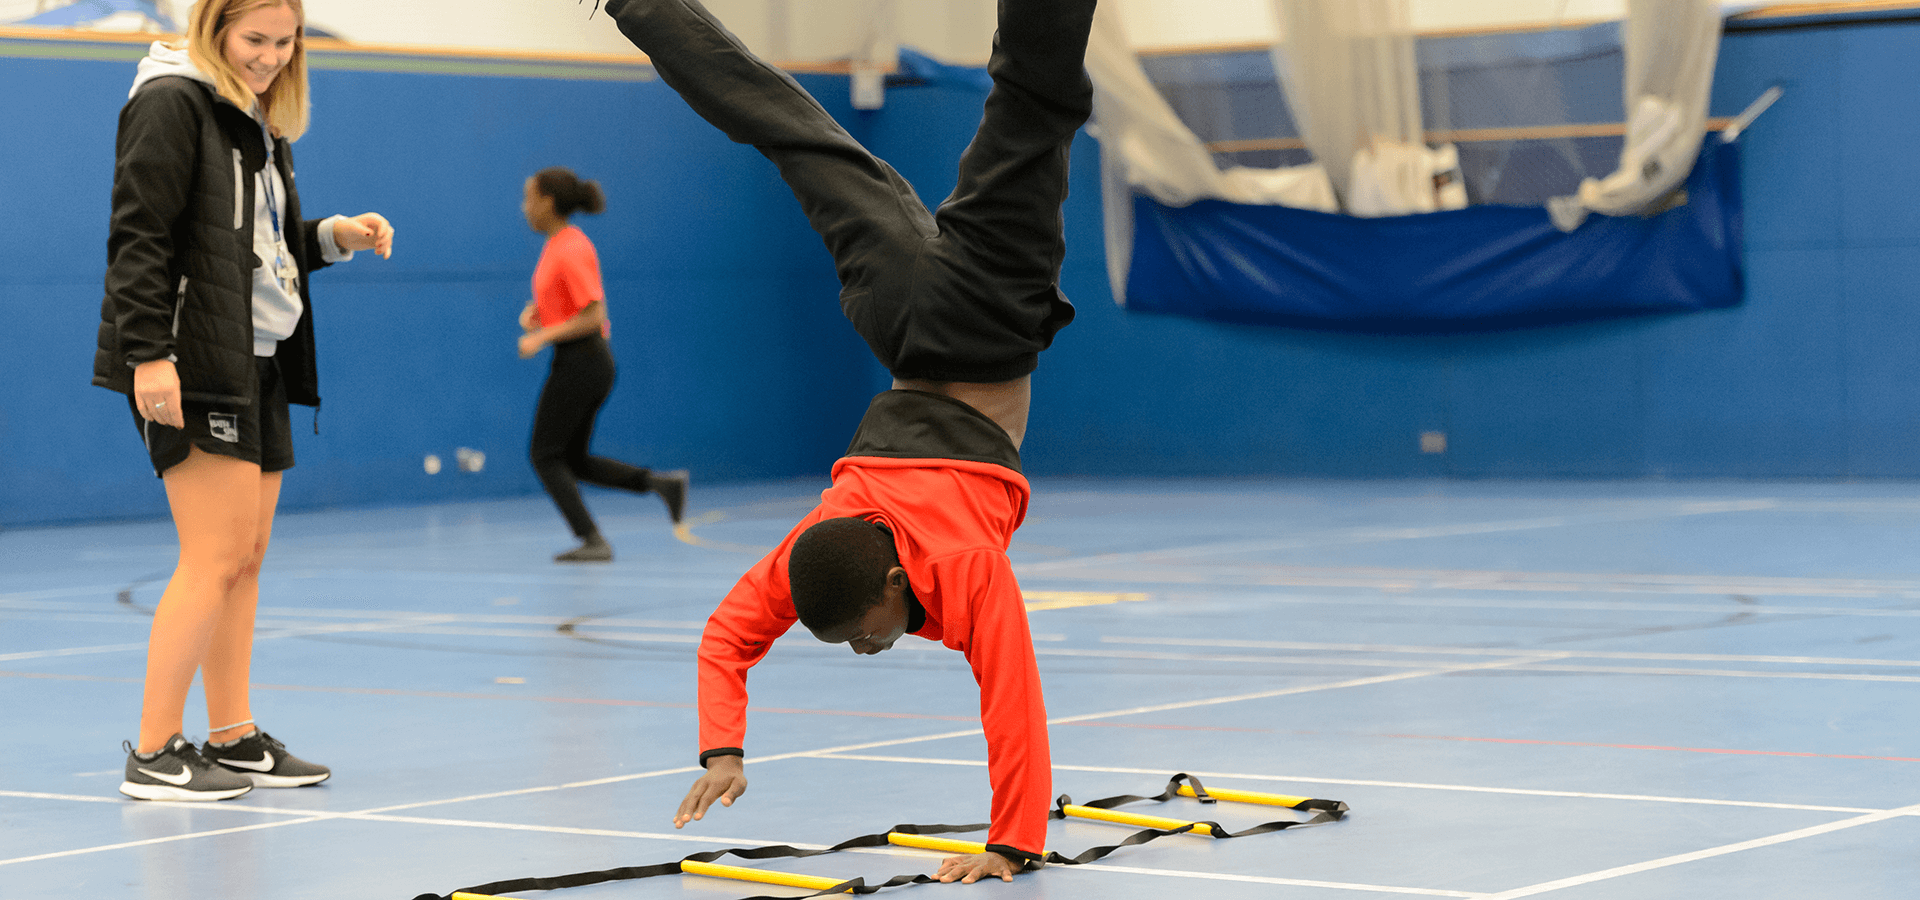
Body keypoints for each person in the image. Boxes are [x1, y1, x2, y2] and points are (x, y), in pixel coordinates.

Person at [600, 0, 1095, 884]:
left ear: (896, 579)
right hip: (897, 317)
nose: (868, 649)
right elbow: (727, 635)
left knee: (1034, 95)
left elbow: (1011, 701)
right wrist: (722, 749)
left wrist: (1012, 842)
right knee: (788, 129)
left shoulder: (961, 568)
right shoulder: (817, 549)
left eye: (864, 636)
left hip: (986, 315)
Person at [94, 0, 395, 801]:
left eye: (283, 41)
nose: (268, 56)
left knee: (246, 558)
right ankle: (154, 751)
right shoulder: (171, 101)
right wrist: (148, 355)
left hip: (255, 354)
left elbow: (243, 248)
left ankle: (231, 736)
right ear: (215, 29)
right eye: (253, 39)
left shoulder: (251, 117)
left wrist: (330, 235)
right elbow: (141, 238)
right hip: (191, 360)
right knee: (214, 555)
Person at [517, 167, 689, 563]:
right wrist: (541, 316)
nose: (524, 207)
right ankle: (660, 484)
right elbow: (569, 306)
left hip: (584, 361)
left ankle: (593, 539)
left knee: (545, 454)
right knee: (572, 459)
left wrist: (542, 336)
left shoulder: (571, 246)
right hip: (579, 360)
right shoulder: (556, 245)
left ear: (547, 201)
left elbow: (594, 314)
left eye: (528, 198)